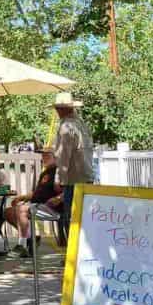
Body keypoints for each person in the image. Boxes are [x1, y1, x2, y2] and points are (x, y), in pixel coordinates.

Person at [5, 147, 62, 257]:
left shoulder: (59, 171)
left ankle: (22, 245)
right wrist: (21, 198)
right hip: (37, 205)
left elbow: (68, 190)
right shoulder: (45, 173)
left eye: (47, 155)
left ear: (55, 157)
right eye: (43, 155)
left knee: (21, 210)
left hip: (51, 207)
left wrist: (59, 198)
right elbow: (35, 193)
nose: (43, 158)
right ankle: (31, 238)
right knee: (8, 212)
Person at [52, 93, 95, 229]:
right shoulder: (81, 125)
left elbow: (63, 155)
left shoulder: (66, 127)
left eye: (59, 108)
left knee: (72, 217)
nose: (57, 111)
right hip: (86, 175)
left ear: (65, 109)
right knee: (84, 215)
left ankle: (73, 248)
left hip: (73, 178)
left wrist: (59, 178)